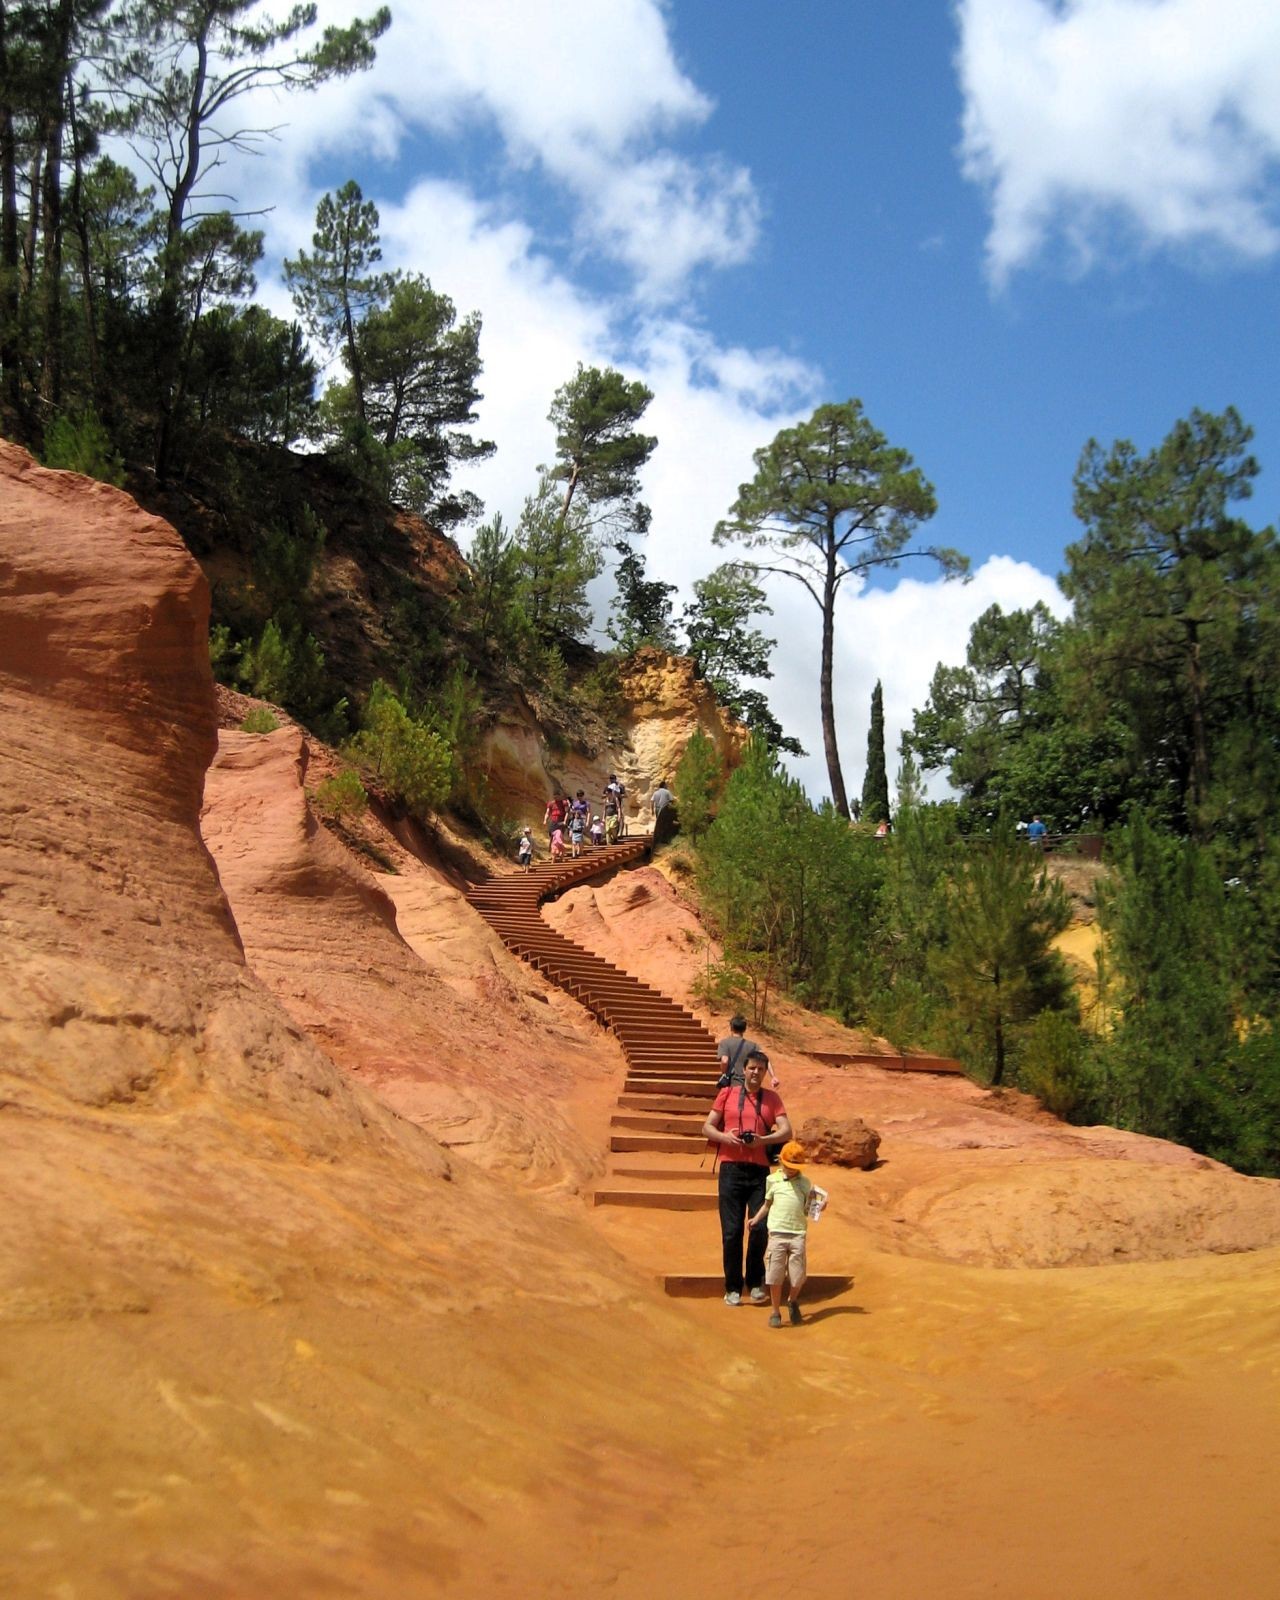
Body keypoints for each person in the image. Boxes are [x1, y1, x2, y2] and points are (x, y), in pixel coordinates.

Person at [702, 1051, 791, 1307]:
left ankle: (754, 1282)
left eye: (761, 1070)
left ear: (765, 1072)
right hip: (730, 1169)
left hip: (759, 1172)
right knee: (731, 1231)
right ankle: (732, 1286)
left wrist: (763, 1141)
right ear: (744, 1069)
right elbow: (707, 1126)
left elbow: (787, 1130)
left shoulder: (772, 1099)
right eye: (752, 1068)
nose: (756, 1073)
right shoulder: (727, 1094)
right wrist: (725, 1137)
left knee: (760, 1227)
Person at [749, 1140, 817, 1327]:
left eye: (795, 1167)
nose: (792, 1170)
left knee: (797, 1277)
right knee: (775, 1275)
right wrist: (756, 1219)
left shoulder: (805, 1183)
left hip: (797, 1234)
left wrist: (820, 1206)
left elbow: (808, 1210)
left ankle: (792, 1300)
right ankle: (775, 1311)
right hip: (777, 1234)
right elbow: (767, 1205)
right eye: (789, 1166)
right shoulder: (773, 1180)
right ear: (781, 1162)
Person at [716, 1013, 780, 1091]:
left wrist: (725, 1073)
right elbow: (765, 1059)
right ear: (744, 1029)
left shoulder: (725, 1043)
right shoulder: (752, 1045)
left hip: (733, 1083)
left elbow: (724, 1061)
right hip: (749, 1084)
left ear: (731, 1028)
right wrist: (773, 1076)